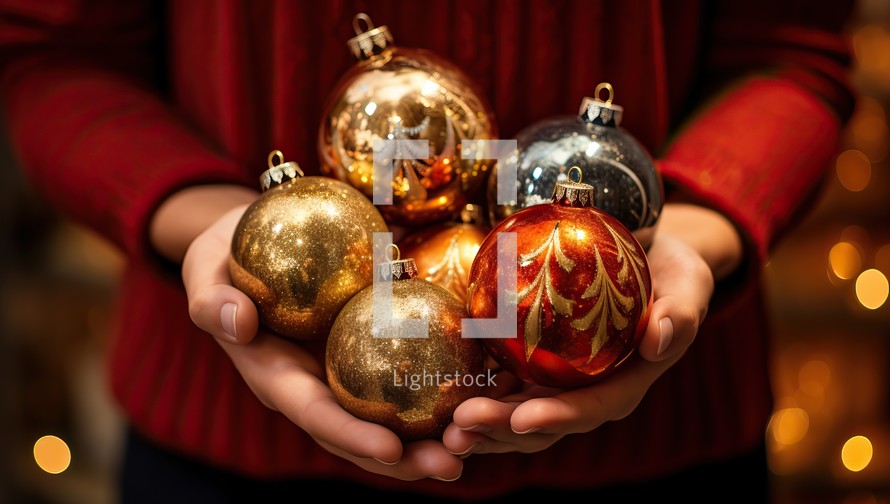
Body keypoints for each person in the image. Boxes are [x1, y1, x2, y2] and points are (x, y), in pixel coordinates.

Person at [0, 1, 856, 502]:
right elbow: (53, 55)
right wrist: (204, 216)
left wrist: (697, 230)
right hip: (226, 460)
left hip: (663, 457)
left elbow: (789, 52)